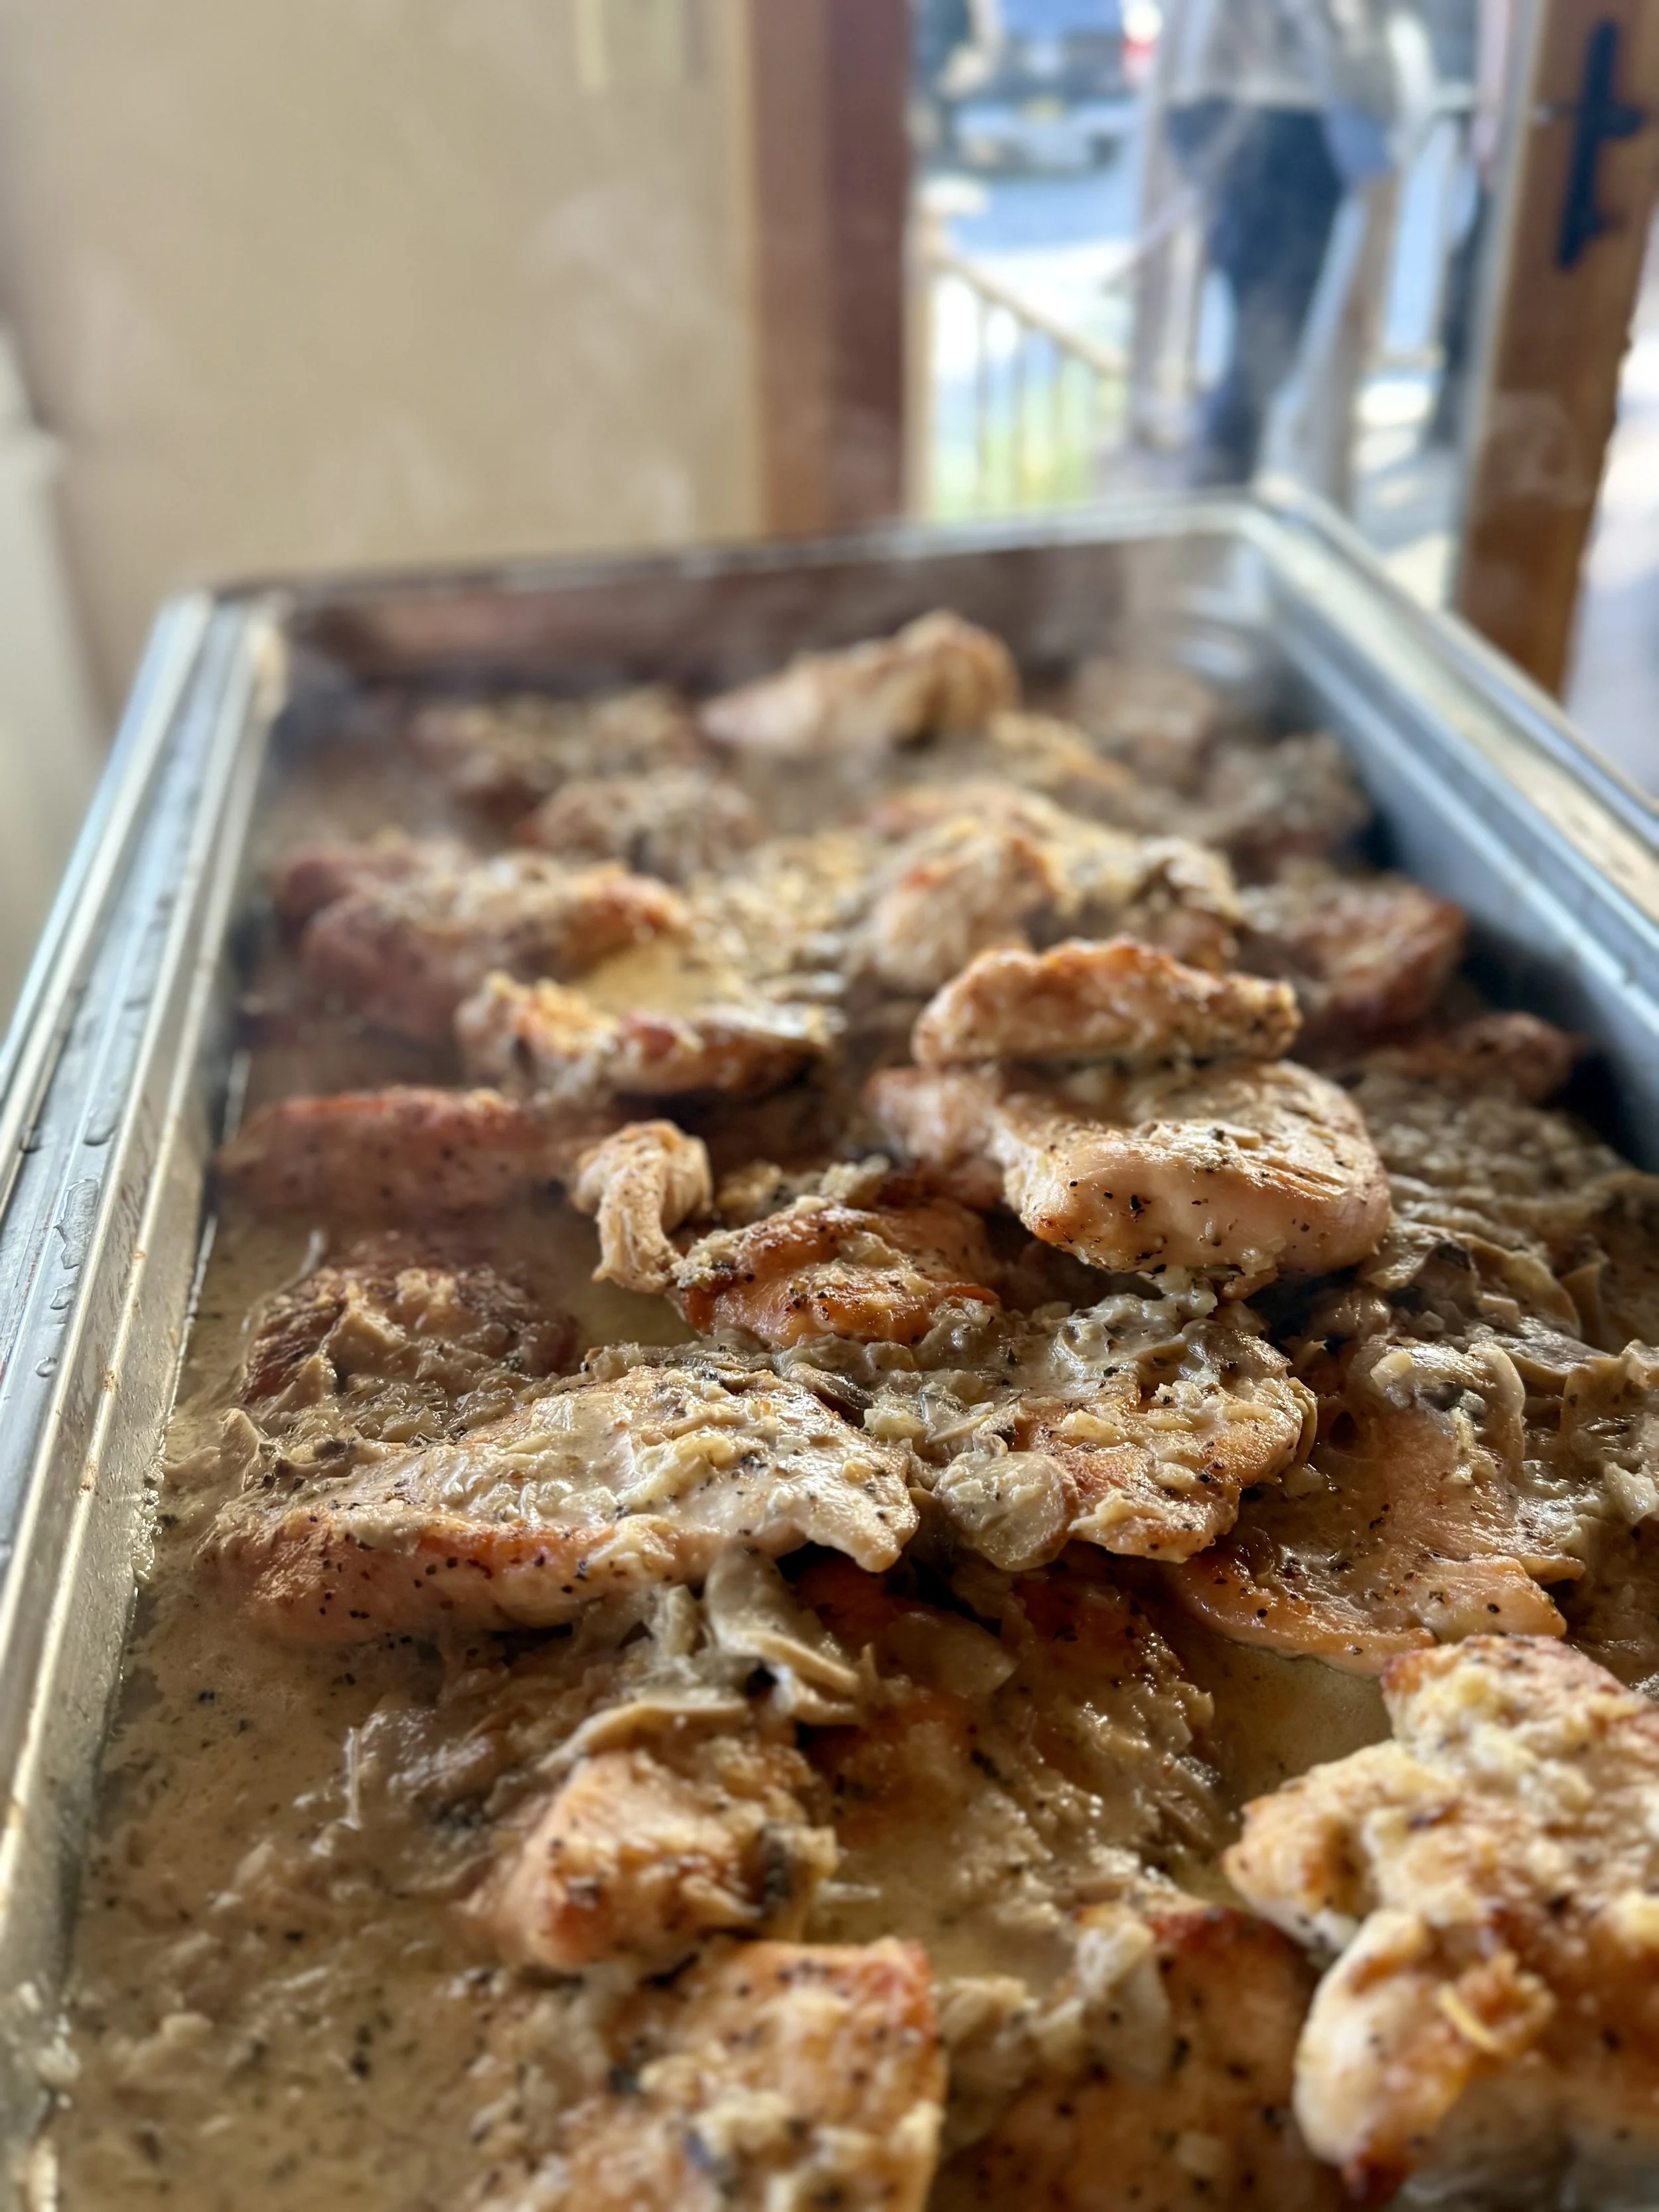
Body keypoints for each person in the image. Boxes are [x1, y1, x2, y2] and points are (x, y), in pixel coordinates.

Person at [1163, 0, 1398, 482]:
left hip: (1238, 111)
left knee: (1263, 334)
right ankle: (1222, 474)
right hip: (1278, 121)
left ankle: (1227, 469)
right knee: (1267, 332)